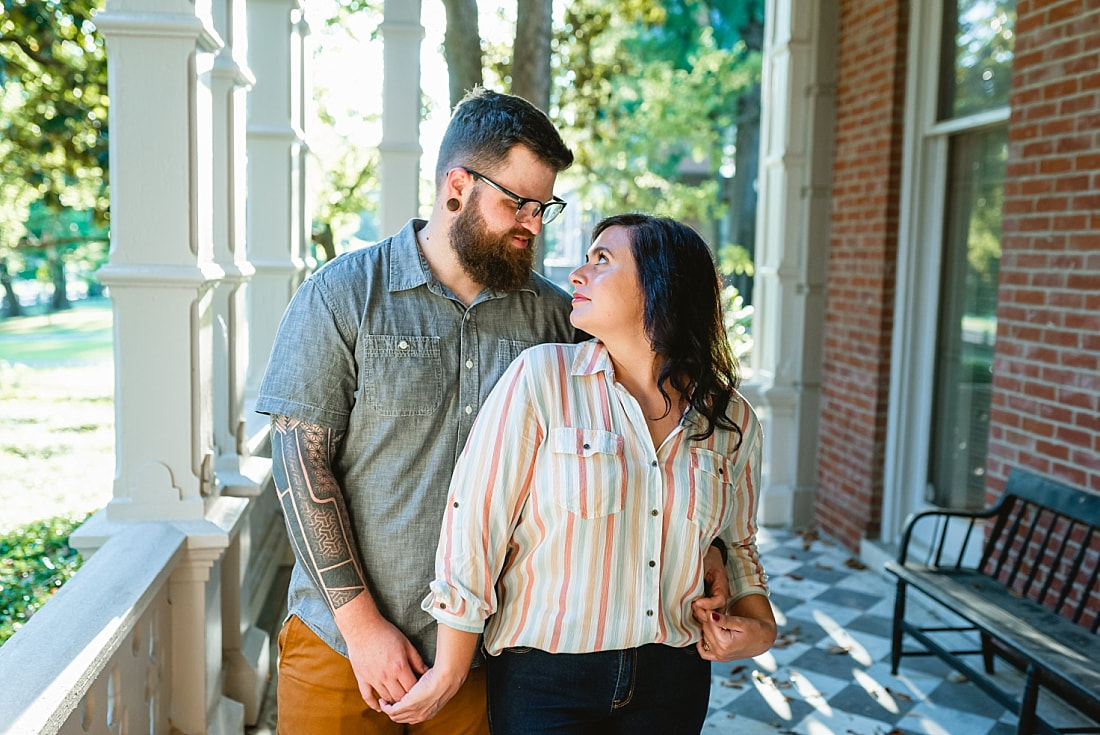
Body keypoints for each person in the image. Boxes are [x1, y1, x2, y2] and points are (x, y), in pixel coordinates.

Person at [256, 90, 731, 733]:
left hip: (486, 657)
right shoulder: (341, 295)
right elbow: (301, 471)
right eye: (518, 204)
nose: (534, 225)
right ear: (457, 186)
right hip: (340, 646)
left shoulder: (558, 320)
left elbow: (646, 429)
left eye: (544, 207)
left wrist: (701, 545)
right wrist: (363, 627)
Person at [384, 213, 777, 733]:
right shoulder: (543, 379)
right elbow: (476, 525)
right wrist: (452, 665)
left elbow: (737, 544)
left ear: (663, 287)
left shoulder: (731, 420)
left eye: (602, 260)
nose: (577, 274)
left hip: (674, 679)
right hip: (545, 679)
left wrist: (759, 630)